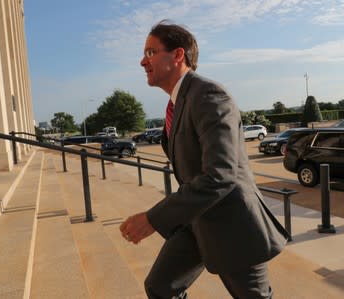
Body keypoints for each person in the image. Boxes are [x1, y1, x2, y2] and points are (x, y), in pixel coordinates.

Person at [120, 20, 289, 299]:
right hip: (197, 220)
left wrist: (154, 218)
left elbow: (219, 175)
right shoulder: (178, 102)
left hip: (233, 225)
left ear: (177, 55)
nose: (142, 61)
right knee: (160, 287)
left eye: (151, 52)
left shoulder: (208, 95)